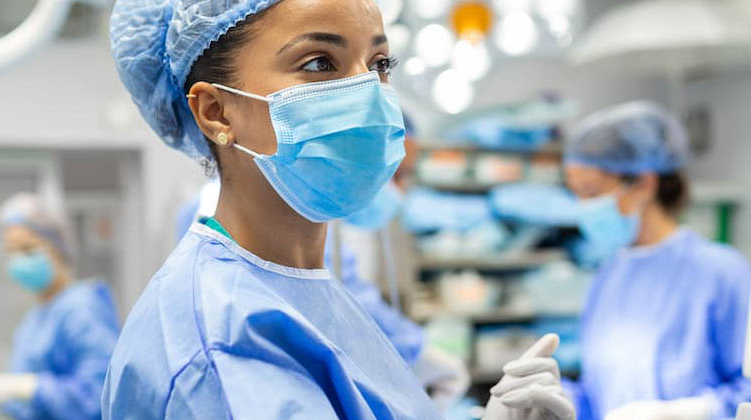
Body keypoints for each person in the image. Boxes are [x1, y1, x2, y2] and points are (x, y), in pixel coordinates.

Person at [105, 0, 573, 418]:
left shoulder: (298, 287)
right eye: (318, 63)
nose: (367, 92)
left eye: (379, 63)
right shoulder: (222, 348)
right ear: (216, 112)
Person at [561, 102, 751, 420]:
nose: (583, 207)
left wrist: (689, 413)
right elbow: (600, 392)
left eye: (592, 192)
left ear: (645, 184)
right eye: (576, 193)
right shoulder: (608, 277)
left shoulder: (721, 273)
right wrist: (560, 400)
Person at [171, 177, 471, 412]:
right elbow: (339, 300)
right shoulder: (285, 229)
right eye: (396, 173)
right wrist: (415, 350)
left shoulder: (211, 214)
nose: (398, 190)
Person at [0, 193, 121, 420]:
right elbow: (32, 406)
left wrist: (30, 388)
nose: (18, 260)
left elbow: (101, 396)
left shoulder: (82, 308)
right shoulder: (35, 319)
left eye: (28, 249)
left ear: (57, 246)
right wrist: (1, 395)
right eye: (10, 252)